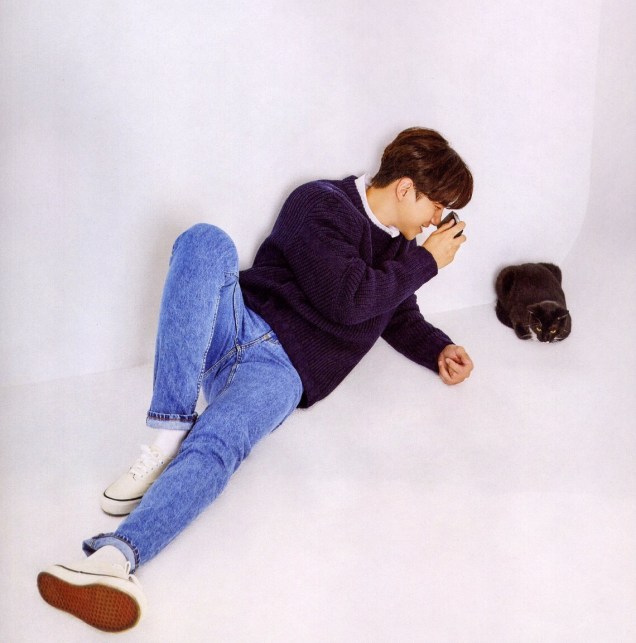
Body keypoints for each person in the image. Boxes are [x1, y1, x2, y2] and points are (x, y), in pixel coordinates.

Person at [37, 127, 474, 632]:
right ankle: (167, 435)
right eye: (437, 206)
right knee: (205, 240)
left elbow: (394, 310)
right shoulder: (320, 203)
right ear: (405, 188)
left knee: (220, 443)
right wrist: (426, 262)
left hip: (284, 372)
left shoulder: (402, 252)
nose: (437, 221)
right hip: (237, 320)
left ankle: (113, 559)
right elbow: (350, 299)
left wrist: (437, 347)